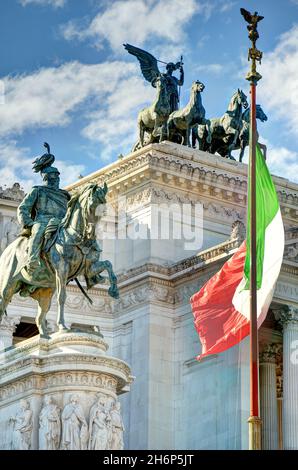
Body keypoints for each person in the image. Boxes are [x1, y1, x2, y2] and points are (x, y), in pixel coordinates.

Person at [17, 165, 70, 275]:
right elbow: (23, 208)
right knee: (38, 231)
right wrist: (29, 223)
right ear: (47, 177)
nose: (57, 179)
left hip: (62, 222)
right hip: (43, 221)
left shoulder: (64, 195)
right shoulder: (37, 190)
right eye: (54, 176)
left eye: (57, 176)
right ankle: (33, 260)